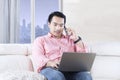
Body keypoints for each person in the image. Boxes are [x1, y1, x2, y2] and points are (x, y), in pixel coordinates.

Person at [31, 11, 92, 80]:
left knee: (86, 76)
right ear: (49, 24)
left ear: (64, 26)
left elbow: (83, 57)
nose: (58, 28)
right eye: (55, 24)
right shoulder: (41, 40)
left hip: (70, 71)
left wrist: (76, 38)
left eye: (61, 25)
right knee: (57, 76)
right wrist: (51, 63)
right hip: (50, 69)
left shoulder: (71, 40)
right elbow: (38, 57)